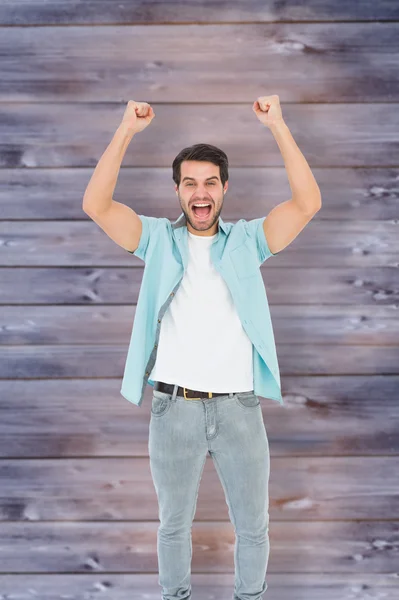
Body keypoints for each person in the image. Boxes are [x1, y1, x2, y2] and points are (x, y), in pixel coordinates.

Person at [83, 98, 322, 599]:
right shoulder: (156, 240)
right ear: (177, 191)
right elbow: (96, 206)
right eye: (189, 182)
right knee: (173, 526)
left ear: (224, 189)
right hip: (175, 411)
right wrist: (127, 129)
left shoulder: (247, 242)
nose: (200, 192)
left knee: (253, 527)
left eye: (210, 182)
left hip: (240, 408)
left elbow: (306, 204)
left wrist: (276, 124)